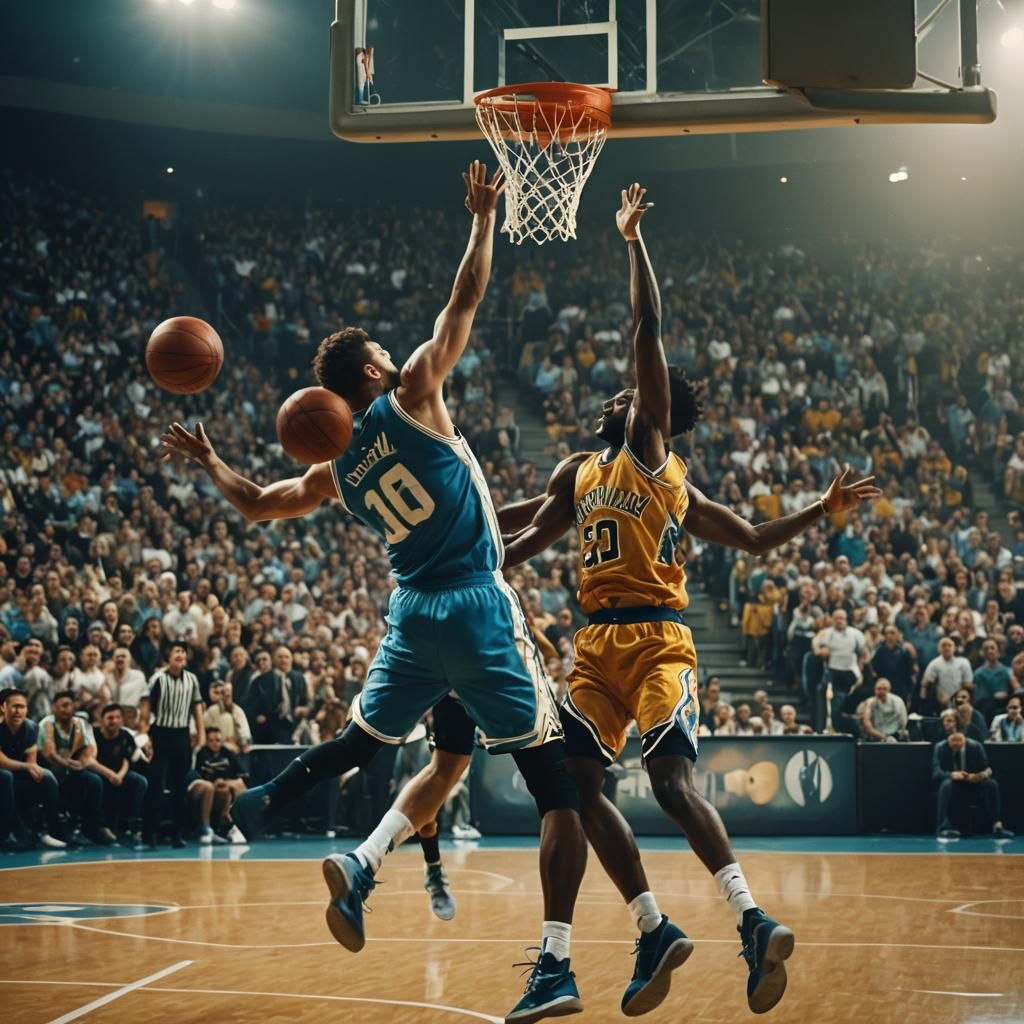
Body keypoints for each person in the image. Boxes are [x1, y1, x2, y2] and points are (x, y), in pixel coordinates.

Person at [160, 162, 589, 1024]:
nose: (397, 354)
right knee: (558, 791)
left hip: (412, 615)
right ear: (369, 372)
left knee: (366, 738)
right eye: (383, 355)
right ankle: (556, 965)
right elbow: (464, 298)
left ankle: (277, 808)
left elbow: (254, 504)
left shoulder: (335, 474)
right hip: (475, 600)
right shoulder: (416, 393)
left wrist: (210, 461)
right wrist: (482, 217)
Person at [498, 185, 879, 1015]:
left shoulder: (649, 453)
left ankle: (747, 919)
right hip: (594, 648)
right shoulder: (579, 471)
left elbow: (647, 333)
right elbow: (521, 535)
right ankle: (644, 931)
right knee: (572, 785)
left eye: (641, 393)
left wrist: (632, 239)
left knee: (670, 783)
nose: (625, 395)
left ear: (652, 409)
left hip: (660, 640)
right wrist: (437, 527)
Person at [140, 642, 206, 849]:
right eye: (176, 651)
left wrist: (201, 735)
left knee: (180, 787)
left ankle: (177, 835)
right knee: (157, 786)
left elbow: (197, 709)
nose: (180, 654)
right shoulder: (157, 678)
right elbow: (145, 710)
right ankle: (150, 834)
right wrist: (144, 737)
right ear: (168, 657)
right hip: (161, 733)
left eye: (183, 652)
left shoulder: (192, 679)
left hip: (182, 734)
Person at [38, 689, 114, 845]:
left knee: (95, 781)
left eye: (69, 705)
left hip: (72, 769)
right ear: (54, 707)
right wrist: (71, 765)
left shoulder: (81, 724)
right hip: (51, 769)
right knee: (76, 776)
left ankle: (94, 827)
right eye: (62, 706)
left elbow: (91, 750)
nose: (66, 709)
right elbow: (49, 755)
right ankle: (69, 825)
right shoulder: (46, 723)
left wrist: (81, 762)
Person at [0, 689, 65, 849]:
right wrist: (28, 766)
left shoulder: (31, 727)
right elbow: (1, 762)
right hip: (4, 775)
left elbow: (32, 762)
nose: (18, 711)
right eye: (14, 706)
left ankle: (46, 829)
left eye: (22, 707)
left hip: (16, 775)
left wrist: (34, 770)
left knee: (47, 776)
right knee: (6, 777)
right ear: (3, 707)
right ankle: (9, 832)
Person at [932, 730, 1013, 839]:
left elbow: (987, 769)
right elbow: (936, 772)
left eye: (959, 740)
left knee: (991, 784)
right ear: (948, 740)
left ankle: (997, 826)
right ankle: (942, 827)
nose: (956, 743)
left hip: (973, 783)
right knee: (946, 785)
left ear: (965, 739)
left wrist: (979, 776)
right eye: (953, 741)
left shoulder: (976, 746)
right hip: (953, 784)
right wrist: (952, 775)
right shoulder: (940, 747)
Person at [91, 702, 148, 841]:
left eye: (117, 717)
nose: (114, 721)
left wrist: (119, 775)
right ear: (102, 719)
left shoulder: (126, 735)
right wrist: (110, 775)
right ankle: (99, 826)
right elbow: (90, 761)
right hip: (98, 772)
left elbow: (126, 760)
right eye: (110, 718)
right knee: (97, 782)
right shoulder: (93, 735)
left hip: (120, 773)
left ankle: (133, 825)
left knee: (140, 781)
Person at [813, 609, 866, 734]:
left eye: (841, 618)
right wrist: (820, 650)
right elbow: (816, 645)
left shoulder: (856, 634)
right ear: (832, 619)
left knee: (845, 701)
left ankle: (847, 728)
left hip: (849, 670)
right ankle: (826, 727)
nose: (839, 620)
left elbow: (862, 653)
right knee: (825, 694)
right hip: (832, 670)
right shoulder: (826, 633)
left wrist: (860, 670)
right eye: (836, 618)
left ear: (846, 619)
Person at [189, 727, 247, 844]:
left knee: (237, 786)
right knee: (222, 790)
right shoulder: (201, 754)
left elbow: (243, 775)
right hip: (210, 789)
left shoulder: (227, 753)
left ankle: (236, 826)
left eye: (218, 740)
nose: (215, 743)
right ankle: (226, 827)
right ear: (206, 741)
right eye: (212, 740)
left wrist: (228, 782)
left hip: (228, 785)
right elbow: (199, 778)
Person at [922, 637, 972, 709]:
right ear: (939, 649)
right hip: (940, 700)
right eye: (944, 645)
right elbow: (926, 684)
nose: (947, 648)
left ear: (954, 648)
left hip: (960, 698)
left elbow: (968, 684)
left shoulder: (963, 663)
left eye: (949, 645)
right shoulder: (934, 664)